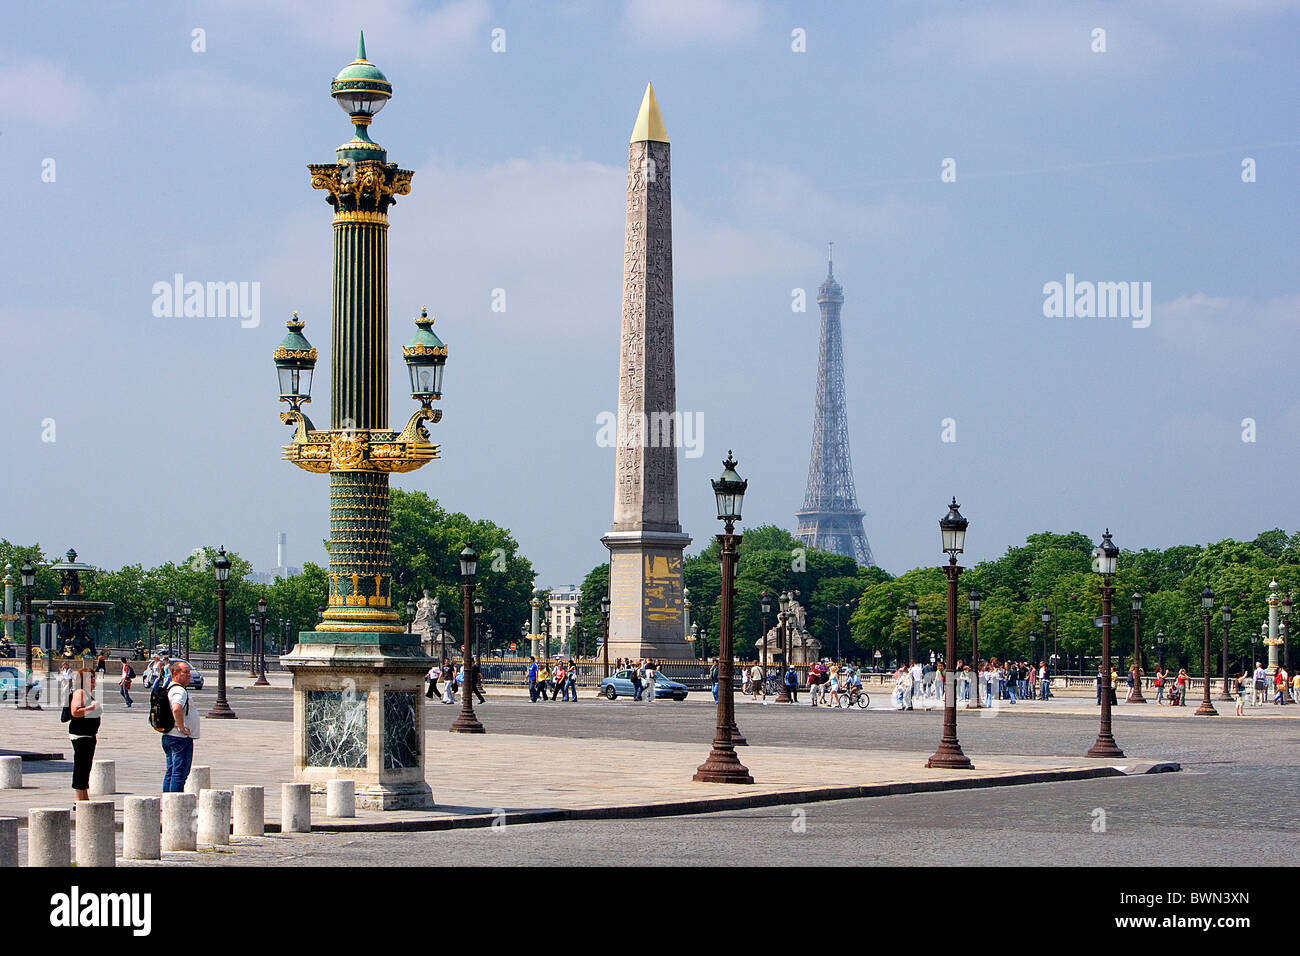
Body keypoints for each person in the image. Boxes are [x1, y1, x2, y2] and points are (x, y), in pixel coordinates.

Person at [161, 661, 199, 793]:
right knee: (179, 774)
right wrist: (181, 727)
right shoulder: (179, 690)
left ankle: (168, 802)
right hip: (179, 738)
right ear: (175, 673)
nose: (189, 675)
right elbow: (176, 708)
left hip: (169, 736)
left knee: (171, 772)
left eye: (189, 672)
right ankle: (175, 805)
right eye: (185, 672)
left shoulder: (170, 688)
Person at [67, 669, 102, 801]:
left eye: (94, 677)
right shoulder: (80, 692)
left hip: (87, 735)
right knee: (81, 767)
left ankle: (84, 797)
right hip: (81, 735)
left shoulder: (86, 693)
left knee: (85, 766)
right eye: (90, 677)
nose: (93, 679)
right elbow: (75, 712)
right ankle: (79, 799)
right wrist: (92, 708)